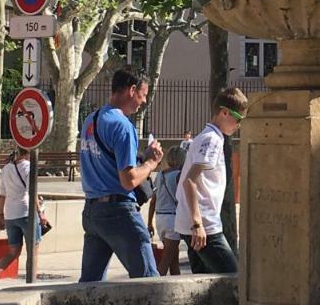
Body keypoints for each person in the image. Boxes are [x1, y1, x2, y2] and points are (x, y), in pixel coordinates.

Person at [78, 67, 163, 282]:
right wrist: (152, 162)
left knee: (89, 285)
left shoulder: (91, 120)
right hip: (118, 211)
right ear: (131, 90)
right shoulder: (123, 126)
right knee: (148, 281)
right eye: (143, 95)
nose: (143, 102)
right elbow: (129, 180)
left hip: (92, 211)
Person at [176, 88, 247, 274]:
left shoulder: (207, 137)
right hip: (204, 226)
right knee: (233, 280)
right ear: (224, 112)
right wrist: (198, 224)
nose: (239, 125)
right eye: (238, 118)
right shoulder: (212, 140)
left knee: (202, 283)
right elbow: (189, 181)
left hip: (194, 224)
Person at [0, 147, 43, 285]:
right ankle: (31, 283)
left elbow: (2, 194)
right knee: (33, 251)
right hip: (26, 212)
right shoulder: (29, 167)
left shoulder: (6, 169)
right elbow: (32, 192)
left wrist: (0, 215)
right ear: (29, 153)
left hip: (10, 215)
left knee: (12, 252)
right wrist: (40, 213)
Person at [147, 145, 185, 276]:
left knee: (174, 261)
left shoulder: (160, 175)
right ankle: (154, 288)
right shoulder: (180, 175)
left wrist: (149, 222)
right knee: (164, 263)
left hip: (160, 219)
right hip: (173, 220)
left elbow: (153, 201)